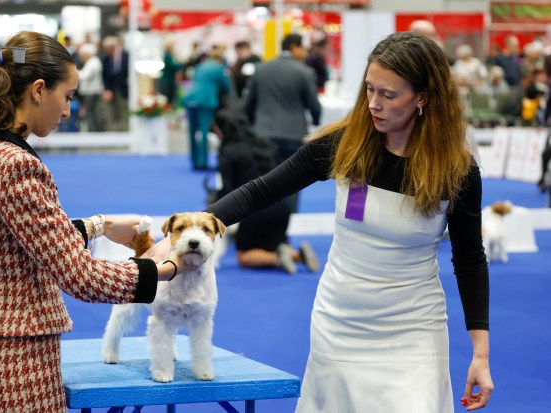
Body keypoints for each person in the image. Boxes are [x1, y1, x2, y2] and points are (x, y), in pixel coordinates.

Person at [206, 31, 493, 412]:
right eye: (369, 89)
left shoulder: (457, 170)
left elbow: (470, 259)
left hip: (413, 330)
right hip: (338, 323)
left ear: (423, 98)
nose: (373, 103)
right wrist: (200, 222)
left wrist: (480, 353)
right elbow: (262, 191)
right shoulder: (344, 144)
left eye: (389, 95)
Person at [0, 31, 181, 412]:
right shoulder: (17, 166)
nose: (69, 110)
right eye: (67, 97)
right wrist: (163, 268)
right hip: (17, 359)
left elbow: (18, 239)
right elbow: (80, 276)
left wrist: (99, 226)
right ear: (39, 90)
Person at [212, 104, 319, 274]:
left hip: (254, 207)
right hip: (282, 205)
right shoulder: (263, 143)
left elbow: (227, 190)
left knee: (243, 256)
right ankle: (296, 255)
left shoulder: (228, 152)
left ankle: (277, 259)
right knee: (273, 244)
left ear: (222, 129)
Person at [244, 33, 321, 212]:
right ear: (294, 47)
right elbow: (314, 105)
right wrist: (316, 121)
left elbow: (248, 105)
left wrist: (252, 127)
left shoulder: (261, 69)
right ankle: (284, 231)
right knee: (292, 184)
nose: (305, 53)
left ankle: (262, 229)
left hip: (263, 134)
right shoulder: (305, 72)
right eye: (303, 48)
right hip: (293, 135)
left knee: (261, 184)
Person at [182, 44, 230, 170]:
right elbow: (227, 87)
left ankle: (194, 160)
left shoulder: (200, 66)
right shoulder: (219, 68)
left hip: (190, 99)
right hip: (205, 101)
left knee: (192, 131)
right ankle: (202, 162)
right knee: (203, 132)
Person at [101, 36, 129, 131]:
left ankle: (125, 132)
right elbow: (104, 75)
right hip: (112, 89)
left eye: (107, 49)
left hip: (124, 89)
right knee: (112, 113)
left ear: (113, 47)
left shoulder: (126, 55)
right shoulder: (106, 58)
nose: (105, 51)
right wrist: (107, 90)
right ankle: (113, 133)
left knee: (124, 111)